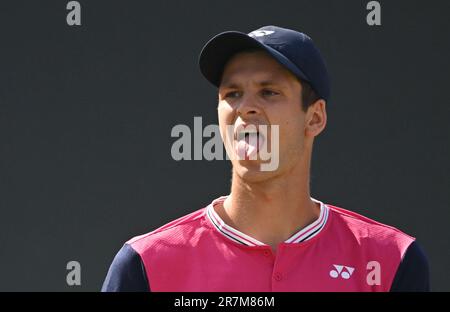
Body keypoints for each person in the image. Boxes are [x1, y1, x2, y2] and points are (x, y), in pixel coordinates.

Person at [101, 25, 430, 292]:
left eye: (269, 91)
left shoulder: (391, 260)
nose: (245, 108)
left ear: (314, 118)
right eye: (232, 94)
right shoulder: (145, 263)